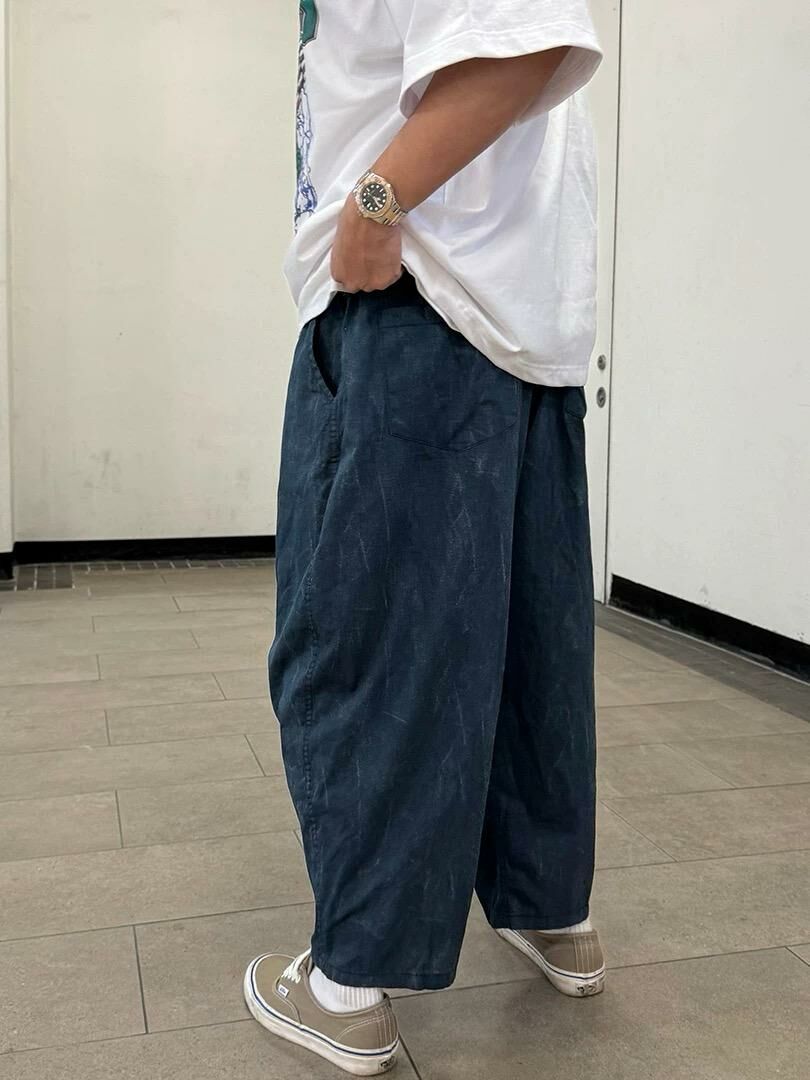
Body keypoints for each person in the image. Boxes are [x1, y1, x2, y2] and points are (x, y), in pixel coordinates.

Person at [244, 1, 605, 1073]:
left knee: (363, 647)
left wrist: (376, 200)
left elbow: (533, 34)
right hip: (518, 319)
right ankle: (551, 909)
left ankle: (351, 982)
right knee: (525, 649)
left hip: (414, 308)